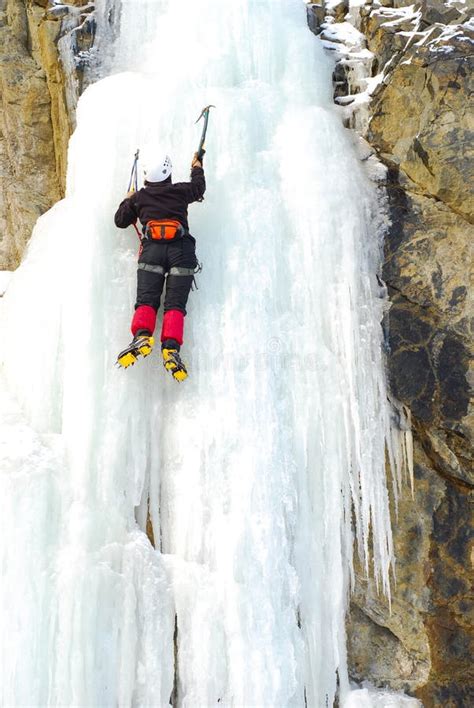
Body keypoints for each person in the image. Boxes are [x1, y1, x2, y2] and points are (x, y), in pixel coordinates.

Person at [114, 151, 206, 381]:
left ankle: (143, 336)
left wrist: (128, 199)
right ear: (168, 173)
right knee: (175, 304)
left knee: (147, 300)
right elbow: (199, 188)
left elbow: (120, 220)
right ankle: (171, 348)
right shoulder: (180, 191)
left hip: (152, 252)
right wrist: (196, 166)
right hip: (181, 252)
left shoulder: (140, 198)